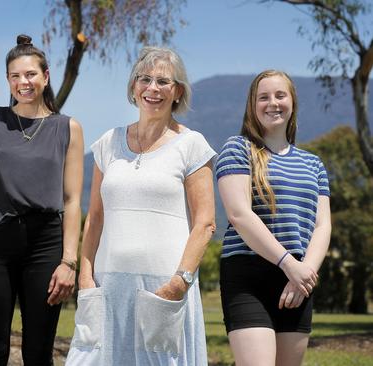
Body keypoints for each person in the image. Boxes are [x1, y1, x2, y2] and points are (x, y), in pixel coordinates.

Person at [66, 46, 216, 365]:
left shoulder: (192, 145)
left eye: (163, 81)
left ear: (177, 91)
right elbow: (94, 217)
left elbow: (205, 223)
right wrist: (85, 276)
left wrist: (180, 282)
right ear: (134, 87)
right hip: (107, 288)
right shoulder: (108, 142)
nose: (152, 88)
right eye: (144, 79)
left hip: (163, 287)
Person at [0, 34, 84, 365]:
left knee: (39, 352)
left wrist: (69, 262)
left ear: (46, 76)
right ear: (8, 80)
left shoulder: (68, 128)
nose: (22, 82)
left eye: (30, 74)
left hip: (45, 245)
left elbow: (71, 200)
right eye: (15, 76)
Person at [216, 70, 331, 366]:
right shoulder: (238, 149)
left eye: (280, 95)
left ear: (292, 102)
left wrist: (304, 273)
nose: (272, 103)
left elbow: (322, 226)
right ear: (252, 106)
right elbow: (239, 214)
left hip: (298, 281)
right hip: (248, 274)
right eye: (263, 97)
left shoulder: (313, 164)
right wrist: (289, 264)